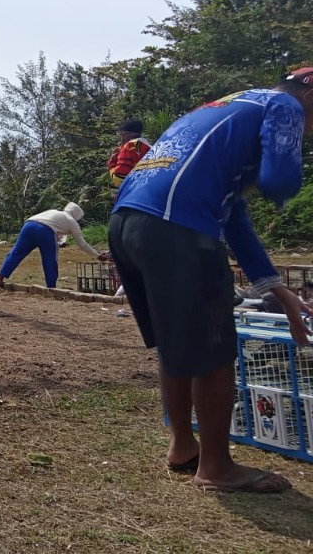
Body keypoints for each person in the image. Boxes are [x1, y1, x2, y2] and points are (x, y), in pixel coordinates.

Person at [108, 68, 313, 494]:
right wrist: (288, 159)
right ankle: (217, 468)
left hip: (130, 222)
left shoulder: (232, 105)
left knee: (178, 340)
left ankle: (183, 446)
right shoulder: (286, 104)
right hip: (178, 227)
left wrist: (276, 289)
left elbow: (232, 214)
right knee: (215, 349)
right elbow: (280, 183)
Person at [0, 202, 106, 289]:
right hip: (45, 231)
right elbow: (82, 244)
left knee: (16, 253)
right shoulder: (72, 222)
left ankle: (0, 279)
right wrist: (97, 255)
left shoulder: (54, 212)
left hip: (28, 225)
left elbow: (59, 233)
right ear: (77, 215)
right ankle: (51, 287)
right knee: (50, 259)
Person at [106, 119, 152, 191]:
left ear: (124, 135)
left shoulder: (129, 147)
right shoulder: (150, 147)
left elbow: (120, 180)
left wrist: (111, 163)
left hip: (135, 193)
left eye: (120, 134)